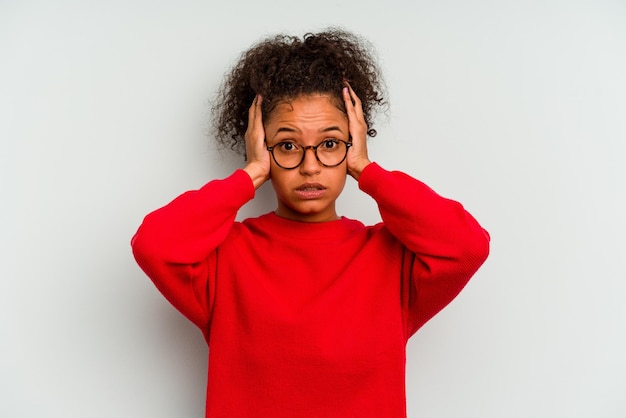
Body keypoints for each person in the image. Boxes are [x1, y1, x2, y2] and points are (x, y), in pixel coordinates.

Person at [131, 28, 490, 418]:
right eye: (287, 145)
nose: (311, 165)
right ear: (260, 145)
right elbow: (154, 244)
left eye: (331, 143)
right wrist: (249, 175)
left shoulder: (392, 261)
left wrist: (366, 170)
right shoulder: (223, 259)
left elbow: (467, 245)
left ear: (353, 143)